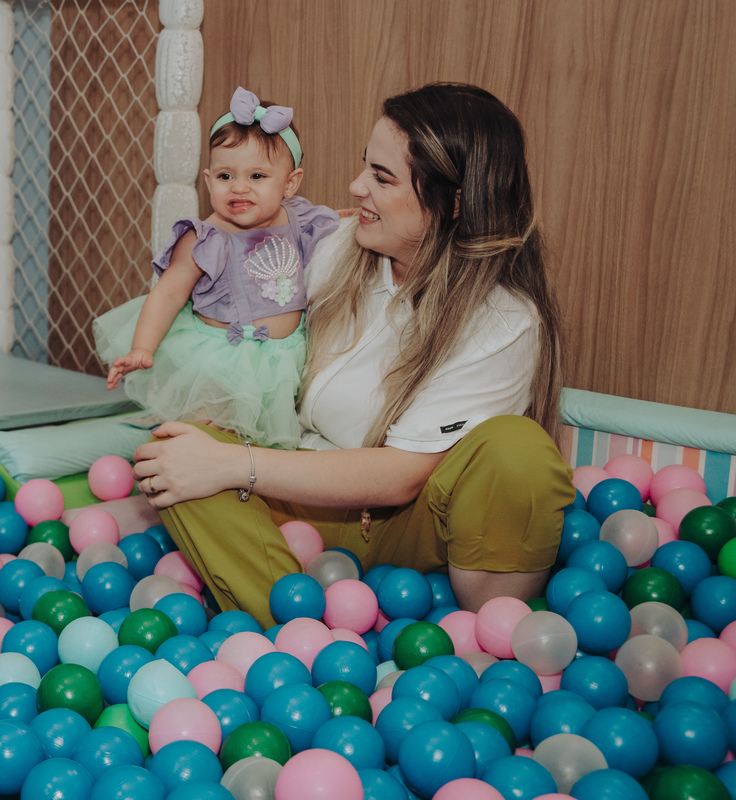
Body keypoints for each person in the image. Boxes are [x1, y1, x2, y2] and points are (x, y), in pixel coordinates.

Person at [130, 83, 576, 628]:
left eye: (382, 178)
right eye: (365, 167)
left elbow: (401, 476)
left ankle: (486, 631)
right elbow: (228, 287)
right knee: (175, 451)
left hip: (411, 528)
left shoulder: (500, 318)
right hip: (297, 504)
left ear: (453, 203)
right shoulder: (336, 246)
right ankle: (304, 632)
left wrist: (232, 465)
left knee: (518, 450)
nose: (355, 186)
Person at [94, 87, 341, 450]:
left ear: (290, 183)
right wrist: (142, 348)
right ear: (209, 180)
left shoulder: (300, 219)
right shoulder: (204, 239)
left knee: (266, 444)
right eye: (226, 176)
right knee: (208, 435)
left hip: (288, 357)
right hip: (221, 361)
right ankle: (180, 468)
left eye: (257, 177)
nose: (239, 187)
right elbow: (167, 295)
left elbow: (339, 227)